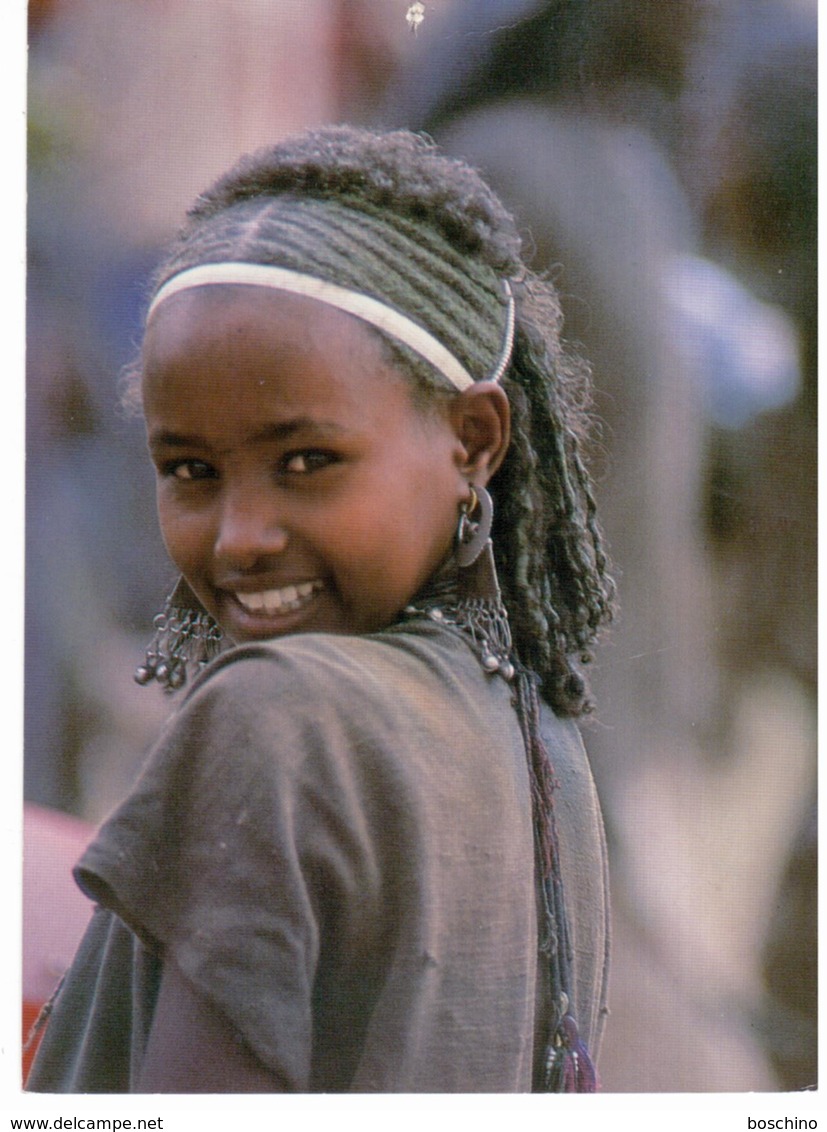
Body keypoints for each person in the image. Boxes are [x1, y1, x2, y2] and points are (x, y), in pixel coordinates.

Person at [27, 125, 613, 1094]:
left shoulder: (276, 718)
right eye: (191, 471)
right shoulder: (541, 742)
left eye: (306, 462)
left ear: (473, 439)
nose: (238, 535)